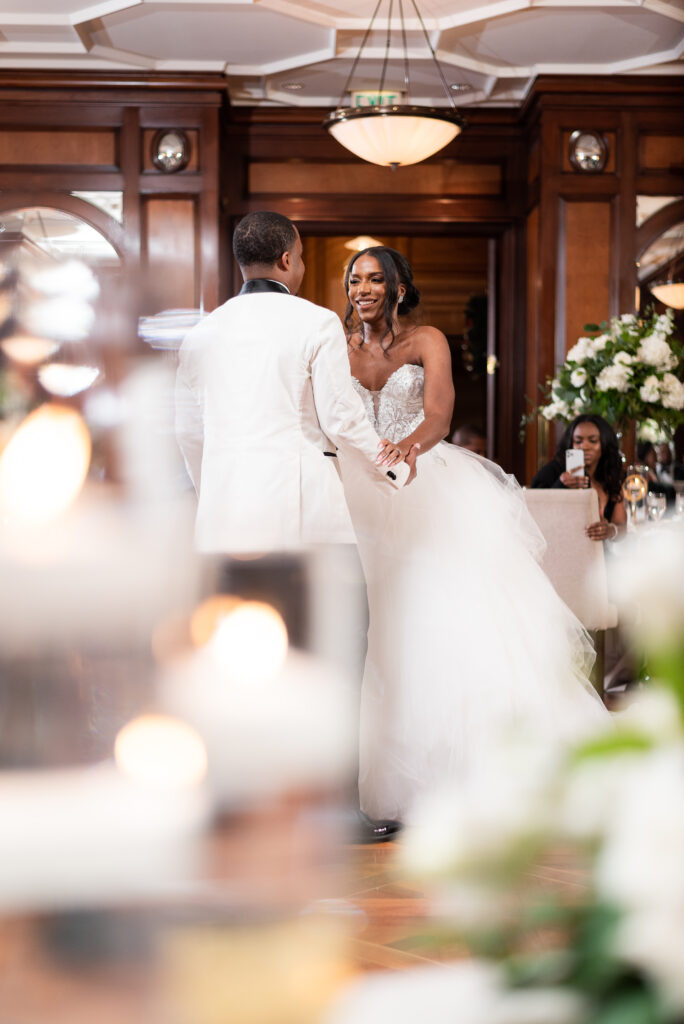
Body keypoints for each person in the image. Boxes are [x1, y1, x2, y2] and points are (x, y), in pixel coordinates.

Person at [337, 245, 608, 823]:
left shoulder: (427, 341)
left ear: (398, 289)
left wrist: (408, 450)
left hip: (422, 482)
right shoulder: (335, 344)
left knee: (434, 618)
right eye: (355, 279)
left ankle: (460, 776)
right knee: (366, 624)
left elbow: (438, 413)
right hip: (351, 490)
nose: (363, 289)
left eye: (375, 280)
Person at [176, 213, 413, 841]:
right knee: (334, 657)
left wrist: (218, 492)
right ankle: (334, 811)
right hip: (309, 520)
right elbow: (340, 418)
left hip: (227, 524)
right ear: (288, 259)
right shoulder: (314, 322)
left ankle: (241, 810)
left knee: (233, 665)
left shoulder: (204, 332)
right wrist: (393, 465)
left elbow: (187, 432)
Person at [530, 414, 627, 542]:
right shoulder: (554, 470)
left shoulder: (610, 475)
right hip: (560, 548)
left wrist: (609, 530)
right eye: (578, 441)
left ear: (604, 445)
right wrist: (560, 485)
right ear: (570, 443)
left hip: (599, 553)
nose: (584, 447)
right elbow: (534, 512)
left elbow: (622, 527)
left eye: (592, 441)